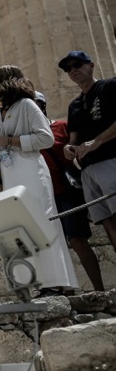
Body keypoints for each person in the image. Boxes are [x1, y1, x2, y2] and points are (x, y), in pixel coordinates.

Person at [0, 66, 78, 295]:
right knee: (22, 226)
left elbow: (46, 138)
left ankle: (55, 282)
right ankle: (38, 282)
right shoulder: (3, 111)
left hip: (31, 171)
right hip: (11, 174)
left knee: (41, 222)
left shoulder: (27, 105)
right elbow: (1, 142)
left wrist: (10, 140)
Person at [34, 91, 104, 291]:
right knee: (53, 245)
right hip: (44, 197)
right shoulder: (26, 136)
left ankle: (99, 290)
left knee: (77, 240)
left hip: (66, 192)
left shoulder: (62, 127)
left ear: (43, 105)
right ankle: (66, 289)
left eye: (35, 104)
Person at [61, 50, 116, 252]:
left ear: (90, 65)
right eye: (68, 68)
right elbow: (73, 139)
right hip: (87, 171)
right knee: (105, 221)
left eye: (77, 64)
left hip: (111, 160)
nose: (73, 70)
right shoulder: (74, 105)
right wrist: (68, 148)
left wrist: (97, 141)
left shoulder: (109, 87)